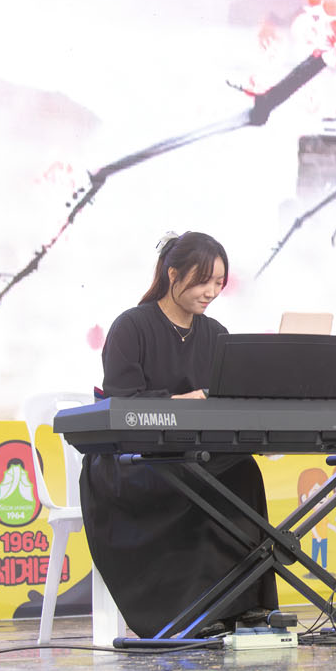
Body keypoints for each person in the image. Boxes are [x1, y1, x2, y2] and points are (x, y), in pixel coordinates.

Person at [78, 231, 277, 637]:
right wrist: (181, 401)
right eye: (204, 282)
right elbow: (122, 403)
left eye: (219, 283)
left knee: (241, 471)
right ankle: (192, 614)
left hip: (192, 454)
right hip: (133, 461)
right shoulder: (132, 326)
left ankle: (242, 604)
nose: (212, 292)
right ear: (172, 274)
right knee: (196, 479)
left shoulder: (216, 333)